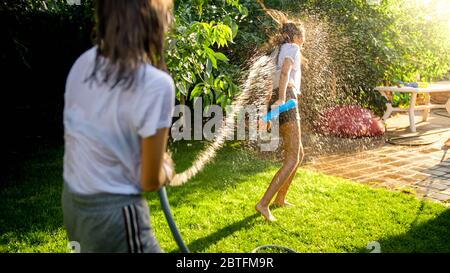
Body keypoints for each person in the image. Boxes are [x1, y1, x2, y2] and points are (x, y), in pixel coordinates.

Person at [62, 0, 175, 253]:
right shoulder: (155, 84)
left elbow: (95, 139)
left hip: (73, 202)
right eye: (167, 12)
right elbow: (148, 181)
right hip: (114, 216)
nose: (170, 21)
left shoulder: (81, 65)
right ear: (151, 18)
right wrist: (165, 169)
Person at [256, 22, 305, 222]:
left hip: (278, 99)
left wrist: (269, 109)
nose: (304, 40)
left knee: (299, 154)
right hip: (287, 100)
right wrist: (283, 99)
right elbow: (285, 72)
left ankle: (280, 198)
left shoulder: (276, 51)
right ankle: (263, 204)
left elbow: (270, 83)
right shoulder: (292, 48)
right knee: (292, 157)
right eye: (302, 36)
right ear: (295, 37)